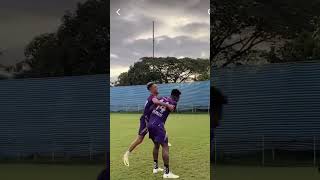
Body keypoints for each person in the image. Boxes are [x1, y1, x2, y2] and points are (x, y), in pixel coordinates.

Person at [123, 82, 174, 167]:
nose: (157, 88)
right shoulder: (152, 97)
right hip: (146, 121)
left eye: (157, 87)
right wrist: (168, 105)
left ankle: (156, 165)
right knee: (140, 139)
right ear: (151, 89)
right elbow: (156, 102)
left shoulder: (154, 97)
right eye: (155, 87)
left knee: (158, 132)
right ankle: (127, 154)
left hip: (150, 120)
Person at [148, 89, 181, 179]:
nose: (178, 99)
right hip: (158, 125)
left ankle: (155, 168)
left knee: (156, 145)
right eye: (179, 97)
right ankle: (166, 173)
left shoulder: (161, 98)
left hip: (150, 124)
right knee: (165, 146)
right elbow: (172, 109)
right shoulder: (173, 102)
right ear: (176, 96)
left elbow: (151, 108)